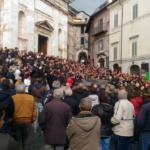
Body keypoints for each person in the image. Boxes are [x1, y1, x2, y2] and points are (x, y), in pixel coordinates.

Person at [11, 83, 37, 150]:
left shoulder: (13, 98)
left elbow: (11, 110)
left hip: (16, 121)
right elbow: (34, 110)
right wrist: (33, 120)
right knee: (26, 140)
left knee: (17, 139)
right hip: (27, 121)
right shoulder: (31, 98)